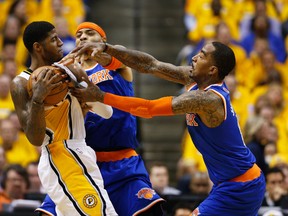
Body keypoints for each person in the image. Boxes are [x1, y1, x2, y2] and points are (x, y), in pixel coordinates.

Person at [63, 40, 266, 215]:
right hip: (233, 183)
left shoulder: (207, 99)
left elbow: (148, 108)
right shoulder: (195, 80)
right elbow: (151, 65)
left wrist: (101, 96)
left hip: (240, 186)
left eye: (202, 56)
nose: (194, 57)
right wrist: (109, 48)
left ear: (212, 70)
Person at [38, 21, 165, 216]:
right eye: (79, 34)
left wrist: (99, 52)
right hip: (80, 162)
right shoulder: (64, 73)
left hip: (122, 163)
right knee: (47, 212)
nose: (83, 37)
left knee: (150, 210)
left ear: (103, 40)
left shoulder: (116, 63)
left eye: (90, 33)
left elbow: (117, 55)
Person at [10, 21, 117, 216]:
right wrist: (38, 99)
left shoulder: (69, 70)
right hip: (60, 155)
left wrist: (87, 87)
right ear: (38, 47)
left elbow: (107, 113)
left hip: (82, 151)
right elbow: (34, 138)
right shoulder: (22, 82)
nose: (61, 43)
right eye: (54, 39)